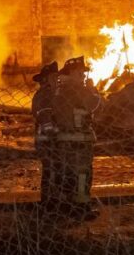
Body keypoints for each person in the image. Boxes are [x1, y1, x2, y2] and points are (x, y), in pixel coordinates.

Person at [52, 56, 101, 221]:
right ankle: (81, 209)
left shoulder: (61, 91)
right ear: (71, 73)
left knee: (68, 174)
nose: (83, 75)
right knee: (82, 176)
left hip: (65, 140)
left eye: (83, 72)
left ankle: (68, 209)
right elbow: (93, 103)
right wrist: (93, 89)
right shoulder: (79, 90)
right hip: (79, 140)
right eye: (80, 72)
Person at [31, 61, 59, 218]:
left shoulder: (51, 93)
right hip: (48, 141)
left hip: (49, 141)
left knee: (51, 172)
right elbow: (45, 118)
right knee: (52, 172)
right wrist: (55, 136)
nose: (57, 79)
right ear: (47, 79)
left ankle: (50, 205)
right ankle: (49, 207)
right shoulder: (45, 95)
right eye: (54, 77)